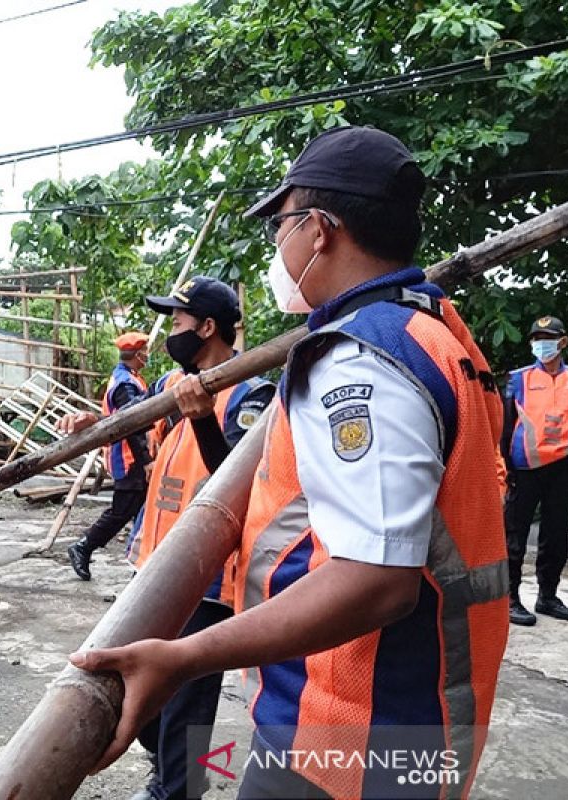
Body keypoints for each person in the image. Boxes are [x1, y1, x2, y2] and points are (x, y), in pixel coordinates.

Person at [71, 126, 509, 799]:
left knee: (190, 747)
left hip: (357, 730)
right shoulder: (437, 328)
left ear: (320, 230)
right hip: (398, 712)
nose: (277, 244)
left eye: (281, 224)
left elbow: (377, 579)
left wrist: (183, 658)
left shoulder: (361, 359)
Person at [59, 277, 274, 800]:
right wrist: (96, 422)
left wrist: (203, 419)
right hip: (151, 565)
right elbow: (134, 425)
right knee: (143, 697)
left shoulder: (255, 395)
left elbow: (239, 481)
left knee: (187, 703)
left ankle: (179, 791)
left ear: (206, 327)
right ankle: (168, 772)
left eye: (177, 323)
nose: (170, 333)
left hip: (206, 577)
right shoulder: (170, 389)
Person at [502, 315, 568, 625]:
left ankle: (548, 596)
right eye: (537, 338)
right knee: (514, 536)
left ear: (563, 341)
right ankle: (510, 598)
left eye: (549, 337)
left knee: (556, 536)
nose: (543, 343)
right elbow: (504, 427)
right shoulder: (518, 379)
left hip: (563, 469)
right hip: (524, 468)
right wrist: (503, 466)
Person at [66, 332, 152, 580]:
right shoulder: (126, 384)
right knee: (122, 510)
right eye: (145, 351)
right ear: (138, 355)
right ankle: (83, 546)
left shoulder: (129, 378)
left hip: (130, 456)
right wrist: (146, 461)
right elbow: (132, 425)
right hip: (130, 458)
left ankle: (143, 559)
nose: (148, 355)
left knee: (141, 509)